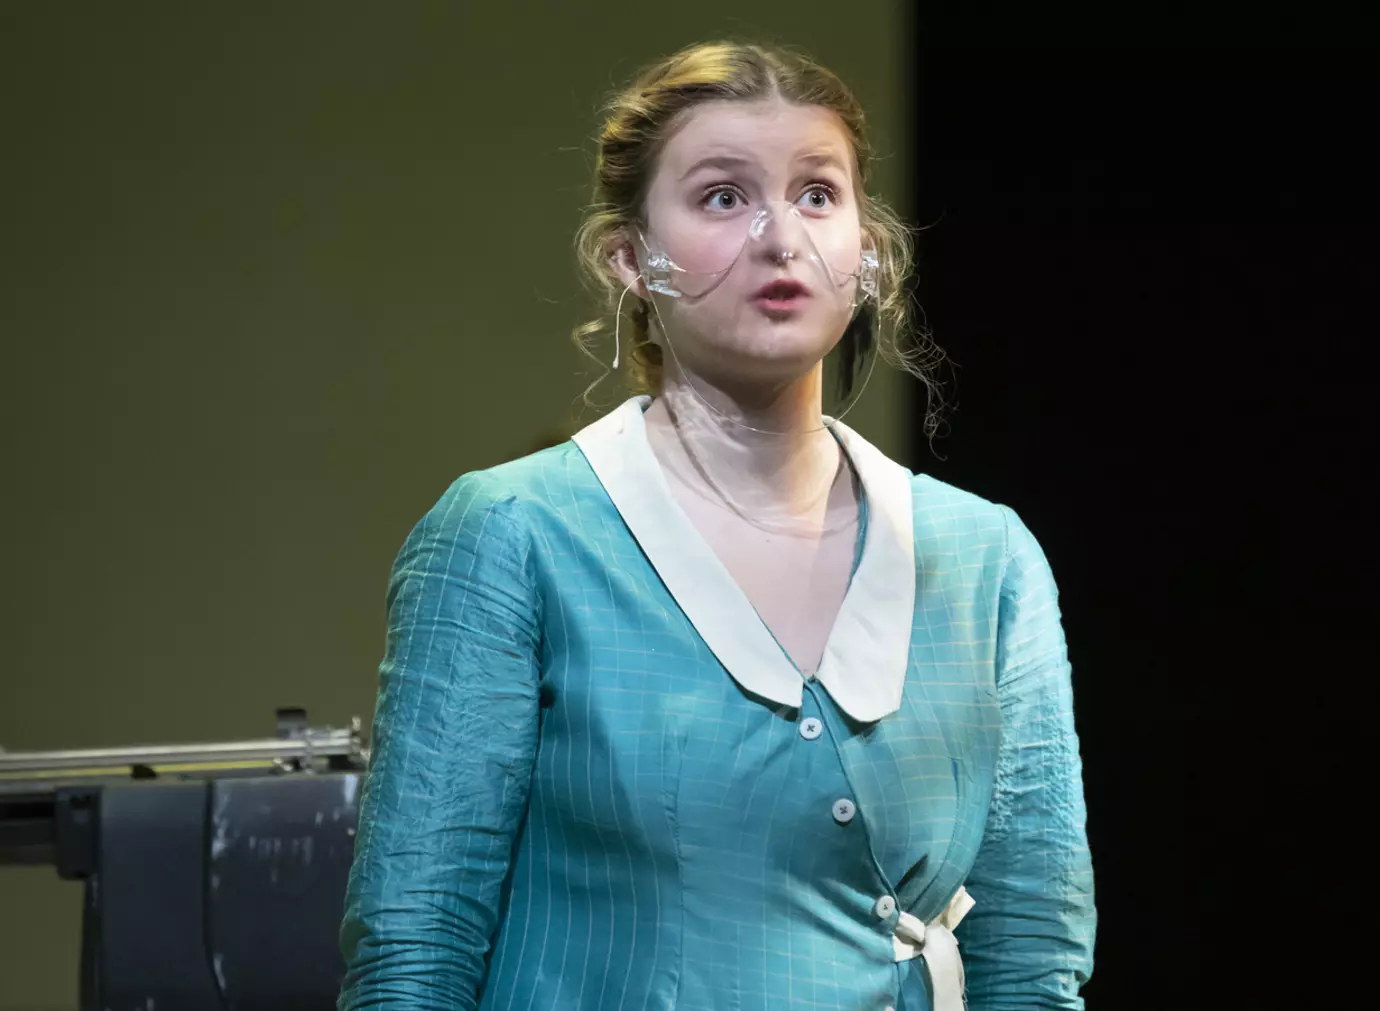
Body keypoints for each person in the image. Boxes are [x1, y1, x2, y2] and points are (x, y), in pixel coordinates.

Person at [337, 40, 1095, 1011]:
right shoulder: (515, 537)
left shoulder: (982, 558)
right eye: (723, 198)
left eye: (818, 194)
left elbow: (1033, 958)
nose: (781, 237)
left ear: (866, 251)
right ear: (627, 258)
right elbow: (414, 953)